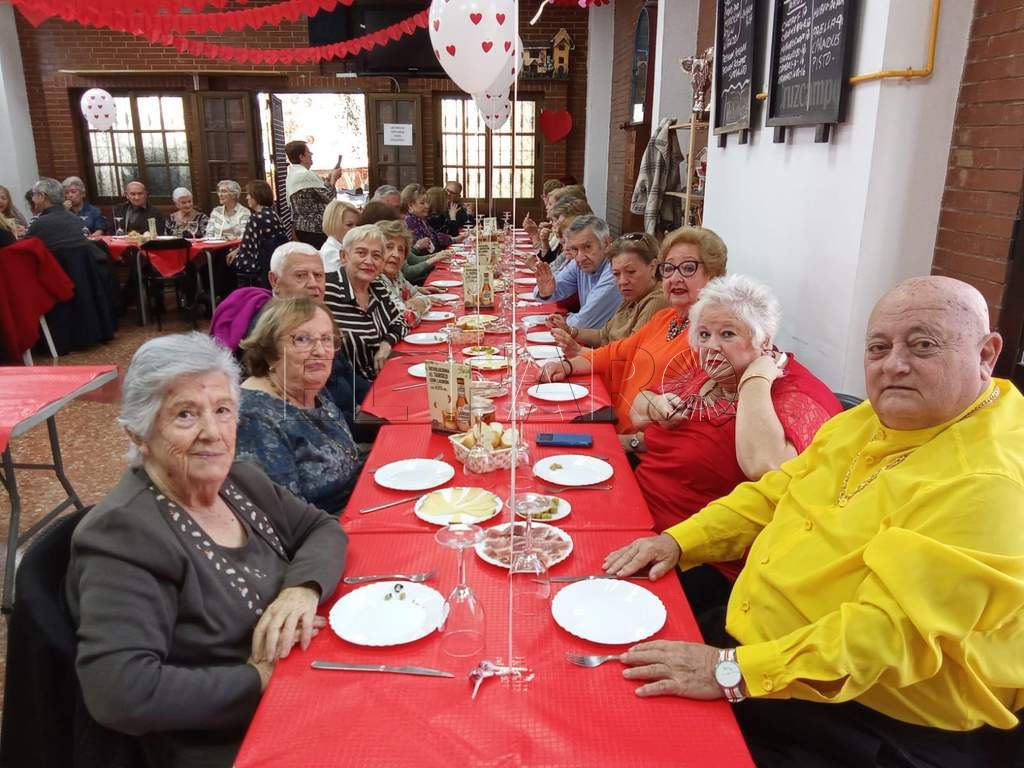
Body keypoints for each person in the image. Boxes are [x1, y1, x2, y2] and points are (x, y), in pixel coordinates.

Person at [602, 275, 1024, 767]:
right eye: (879, 347)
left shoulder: (991, 479)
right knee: (607, 666)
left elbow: (887, 637)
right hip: (764, 647)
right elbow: (775, 493)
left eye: (923, 344)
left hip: (866, 715)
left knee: (639, 743)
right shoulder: (868, 420)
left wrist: (728, 670)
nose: (895, 365)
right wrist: (678, 542)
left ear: (986, 353)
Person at [66, 332, 348, 766]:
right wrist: (256, 678)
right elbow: (120, 692)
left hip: (302, 687)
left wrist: (302, 589)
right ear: (139, 433)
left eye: (222, 410)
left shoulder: (240, 481)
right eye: (185, 415)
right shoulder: (122, 535)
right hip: (230, 739)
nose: (212, 433)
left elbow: (322, 528)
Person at [628, 274, 840, 612]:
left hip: (699, 553)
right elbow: (638, 408)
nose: (711, 346)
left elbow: (766, 468)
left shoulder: (794, 393)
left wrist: (756, 378)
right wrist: (656, 406)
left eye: (728, 334)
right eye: (704, 335)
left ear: (764, 340)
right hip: (638, 507)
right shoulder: (710, 373)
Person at [540, 225, 727, 443]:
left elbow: (687, 427)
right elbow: (613, 353)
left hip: (640, 451)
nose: (675, 278)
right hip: (616, 423)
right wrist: (565, 366)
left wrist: (624, 444)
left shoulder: (712, 341)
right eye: (669, 269)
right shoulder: (665, 319)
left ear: (714, 276)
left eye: (687, 268)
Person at [210, 242, 370, 427]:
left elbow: (347, 374)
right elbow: (315, 418)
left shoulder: (316, 318)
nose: (313, 284)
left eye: (318, 275)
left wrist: (382, 399)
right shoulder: (271, 326)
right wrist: (378, 422)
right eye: (301, 275)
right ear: (274, 280)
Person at [237, 297, 364, 515]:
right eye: (302, 339)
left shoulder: (311, 387)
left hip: (361, 501)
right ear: (270, 350)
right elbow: (287, 521)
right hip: (331, 533)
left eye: (327, 339)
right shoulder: (254, 419)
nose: (320, 351)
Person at [550, 232, 668, 354]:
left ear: (653, 267)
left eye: (631, 272)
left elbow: (628, 355)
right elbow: (603, 336)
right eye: (616, 274)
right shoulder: (633, 295)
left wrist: (579, 351)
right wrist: (570, 331)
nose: (622, 281)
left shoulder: (657, 300)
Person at [323, 224, 407, 380]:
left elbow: (400, 320)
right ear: (344, 256)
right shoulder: (325, 290)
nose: (369, 261)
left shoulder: (377, 286)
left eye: (376, 256)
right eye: (361, 253)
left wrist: (386, 344)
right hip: (351, 390)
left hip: (384, 377)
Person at [532, 214, 622, 330]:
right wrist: (545, 292)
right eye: (575, 249)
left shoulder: (615, 270)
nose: (580, 257)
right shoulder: (579, 263)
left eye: (587, 247)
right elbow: (544, 290)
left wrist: (566, 319)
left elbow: (584, 322)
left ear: (606, 243)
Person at [228, 180, 290, 285]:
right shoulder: (273, 214)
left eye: (249, 194)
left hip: (259, 267)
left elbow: (247, 250)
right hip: (275, 262)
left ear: (256, 196)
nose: (247, 197)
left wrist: (236, 251)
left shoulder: (255, 218)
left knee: (225, 260)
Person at [376, 219, 433, 328]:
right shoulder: (377, 281)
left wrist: (419, 302)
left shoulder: (397, 276)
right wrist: (414, 306)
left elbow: (421, 297)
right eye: (389, 247)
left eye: (401, 249)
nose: (396, 254)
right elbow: (405, 318)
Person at [284, 140, 342, 248]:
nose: (311, 155)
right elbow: (329, 196)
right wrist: (334, 179)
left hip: (302, 228)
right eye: (309, 152)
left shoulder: (293, 173)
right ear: (301, 156)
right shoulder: (305, 175)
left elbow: (317, 192)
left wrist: (329, 179)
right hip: (315, 229)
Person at [27, 177, 91, 252]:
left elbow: (25, 249)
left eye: (34, 195)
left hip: (54, 263)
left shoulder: (39, 223)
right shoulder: (76, 219)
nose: (32, 199)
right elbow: (87, 237)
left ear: (42, 196)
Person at [401, 183, 466, 253]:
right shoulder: (410, 221)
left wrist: (454, 239)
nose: (427, 206)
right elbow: (417, 254)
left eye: (427, 202)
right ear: (410, 206)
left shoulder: (420, 219)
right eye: (422, 203)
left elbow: (435, 236)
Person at [319, 199, 361, 272]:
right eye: (349, 225)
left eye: (357, 225)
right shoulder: (331, 254)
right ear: (334, 225)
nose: (356, 229)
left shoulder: (344, 246)